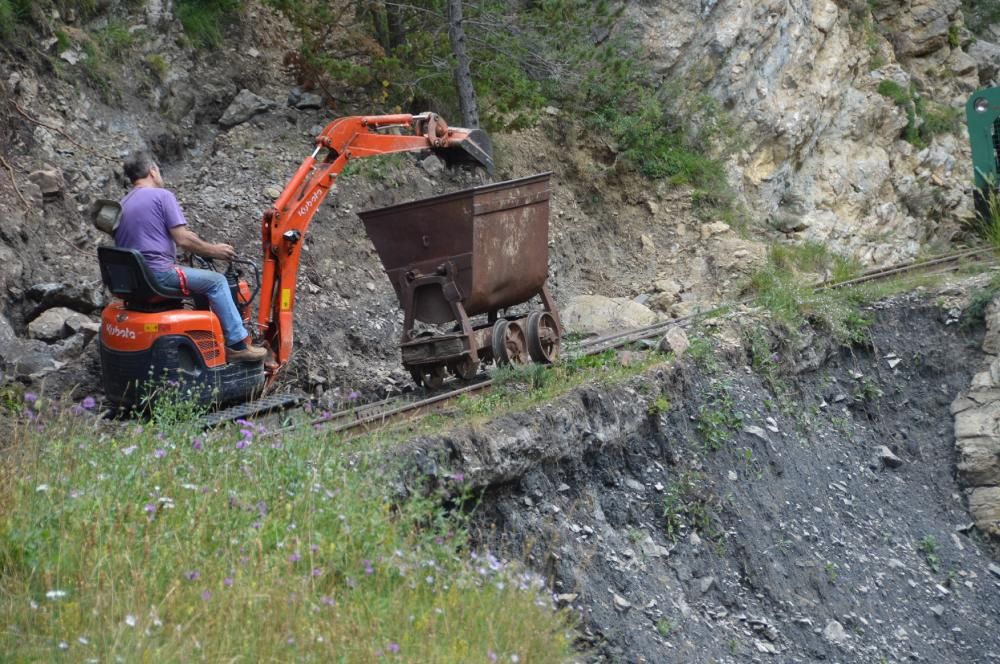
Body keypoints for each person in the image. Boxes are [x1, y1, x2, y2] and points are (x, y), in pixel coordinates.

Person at [115, 151, 267, 363]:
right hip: (158, 275)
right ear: (152, 170)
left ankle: (205, 333)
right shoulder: (162, 196)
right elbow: (182, 239)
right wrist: (214, 250)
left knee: (200, 282)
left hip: (135, 280)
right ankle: (237, 345)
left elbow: (147, 236)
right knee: (217, 282)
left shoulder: (123, 203)